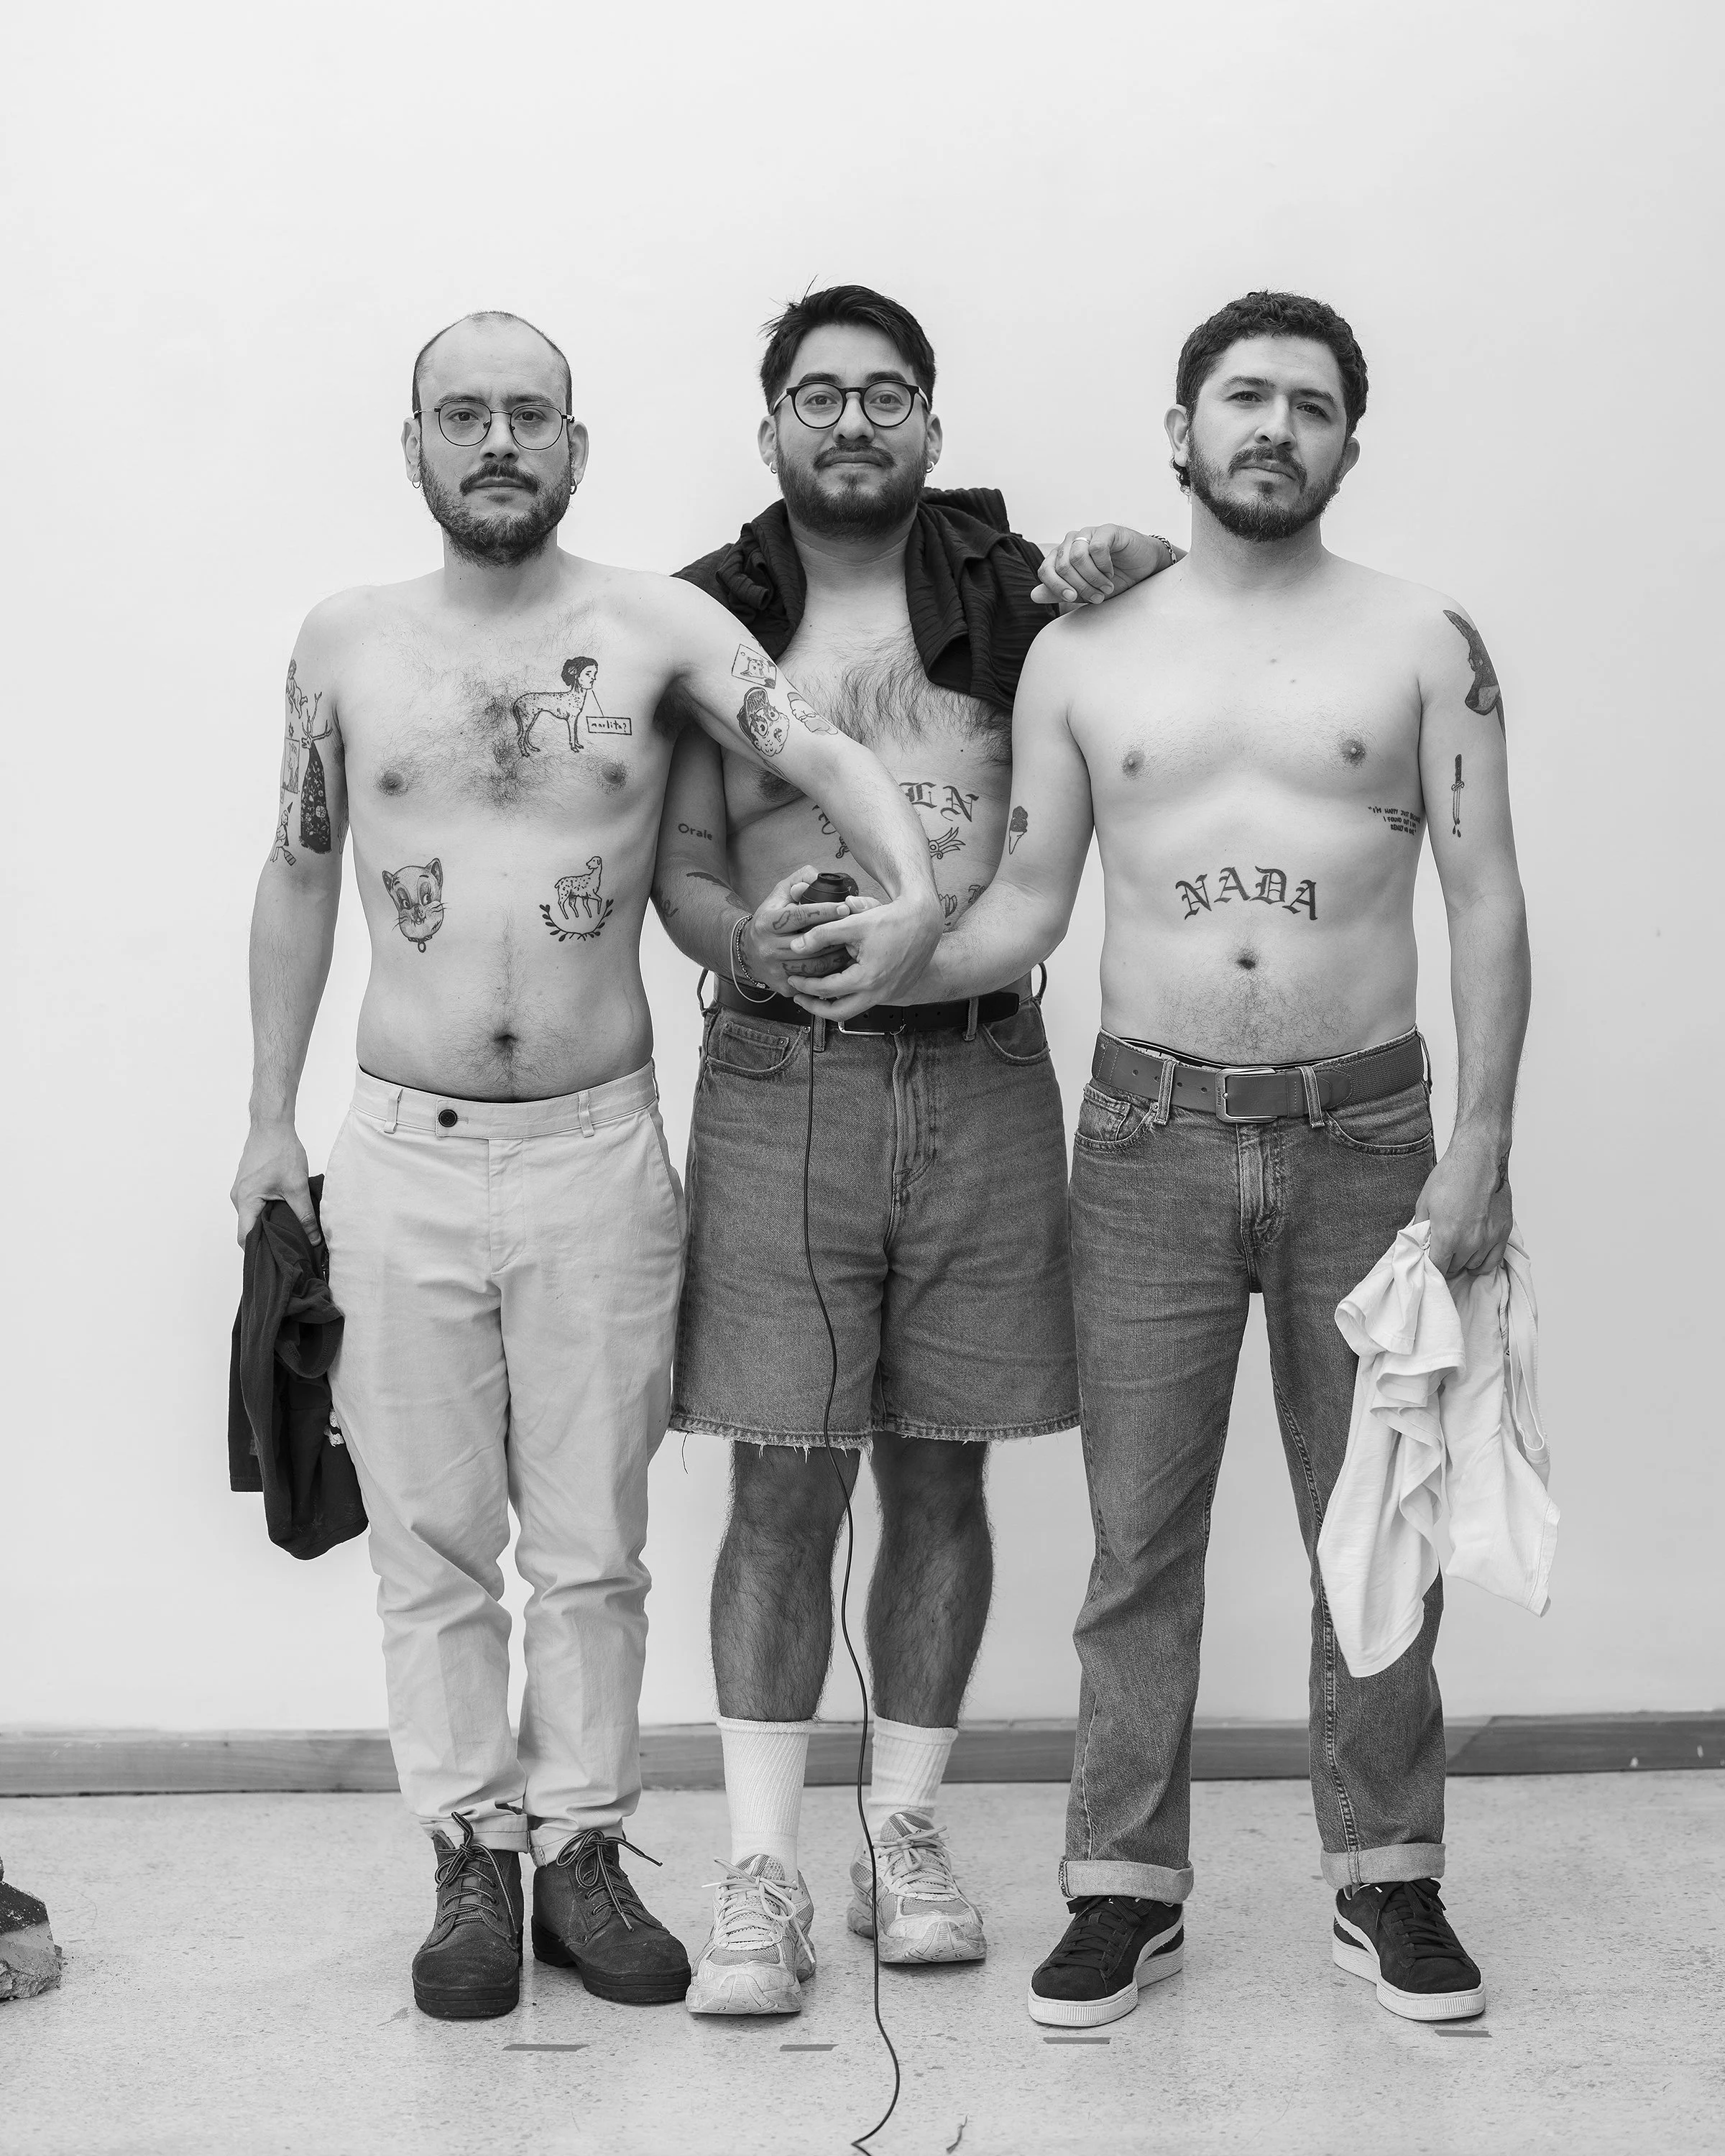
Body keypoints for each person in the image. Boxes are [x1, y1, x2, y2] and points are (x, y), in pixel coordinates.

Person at [794, 290, 1531, 2030]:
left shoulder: (1427, 639)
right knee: (1141, 1539)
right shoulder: (1089, 649)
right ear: (1182, 431)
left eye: (1310, 404)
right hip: (1145, 1136)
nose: (1274, 427)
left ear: (1353, 438)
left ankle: (1389, 1876)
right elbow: (1032, 908)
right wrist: (902, 950)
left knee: (1384, 1525)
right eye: (1243, 398)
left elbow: (1487, 897)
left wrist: (1483, 1141)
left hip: (1370, 1136)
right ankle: (1124, 1887)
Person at [229, 309, 942, 2023]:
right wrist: (269, 1121)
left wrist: (911, 891)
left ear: (575, 447)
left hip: (598, 1150)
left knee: (593, 1545)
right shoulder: (345, 641)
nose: (496, 441)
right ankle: (469, 1859)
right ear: (414, 447)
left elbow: (825, 751)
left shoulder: (656, 627)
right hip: (400, 1149)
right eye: (461, 416)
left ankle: (582, 1856)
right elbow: (302, 871)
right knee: (430, 1543)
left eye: (527, 416)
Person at [648, 282, 1177, 2015]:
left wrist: (1132, 554)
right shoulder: (703, 612)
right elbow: (681, 869)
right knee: (781, 1477)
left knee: (942, 1465)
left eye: (888, 396)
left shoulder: (1016, 593)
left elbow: (1182, 629)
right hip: (778, 1079)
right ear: (772, 430)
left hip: (982, 1074)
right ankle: (757, 1875)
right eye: (821, 396)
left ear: (933, 426)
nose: (855, 422)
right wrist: (742, 946)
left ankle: (906, 1835)